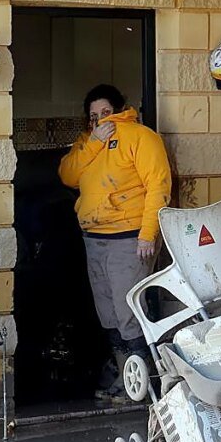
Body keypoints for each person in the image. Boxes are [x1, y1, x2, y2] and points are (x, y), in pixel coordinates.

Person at [58, 84, 172, 399]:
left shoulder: (141, 137)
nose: (100, 119)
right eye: (94, 115)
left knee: (127, 311)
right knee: (107, 312)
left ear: (120, 110)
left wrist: (148, 234)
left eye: (106, 112)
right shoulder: (87, 142)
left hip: (129, 238)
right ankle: (127, 378)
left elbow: (158, 186)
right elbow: (67, 175)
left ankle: (143, 386)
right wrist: (94, 142)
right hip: (94, 238)